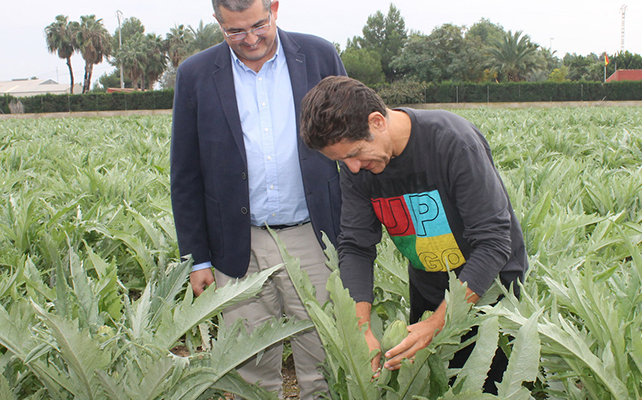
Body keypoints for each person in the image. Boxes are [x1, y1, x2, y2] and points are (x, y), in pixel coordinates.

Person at [300, 76, 528, 394]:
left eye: (355, 153)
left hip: (490, 293)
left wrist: (438, 324)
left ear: (377, 121)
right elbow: (355, 246)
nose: (352, 168)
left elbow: (493, 241)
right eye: (341, 161)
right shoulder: (358, 169)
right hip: (429, 289)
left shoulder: (451, 141)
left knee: (488, 388)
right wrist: (360, 329)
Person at [169, 0, 345, 398]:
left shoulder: (319, 55)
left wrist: (354, 236)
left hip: (313, 238)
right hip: (237, 244)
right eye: (234, 31)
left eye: (258, 25)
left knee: (325, 355)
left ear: (275, 8)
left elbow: (352, 151)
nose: (250, 39)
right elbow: (185, 172)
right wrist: (197, 258)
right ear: (217, 22)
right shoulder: (195, 75)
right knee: (250, 366)